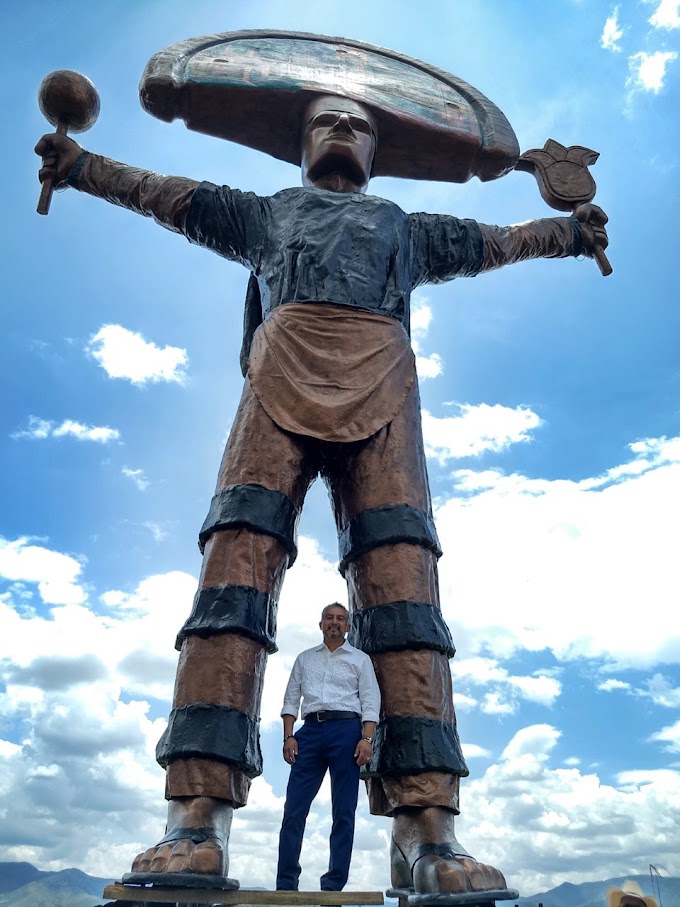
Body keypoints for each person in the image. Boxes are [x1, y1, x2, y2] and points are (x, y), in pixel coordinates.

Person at [35, 94, 608, 897]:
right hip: (276, 376)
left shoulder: (405, 229)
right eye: (325, 121)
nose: (342, 128)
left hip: (385, 384)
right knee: (233, 574)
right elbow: (164, 192)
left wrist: (567, 235)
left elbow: (496, 241)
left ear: (379, 152)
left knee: (404, 587)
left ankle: (427, 826)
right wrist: (86, 166)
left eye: (361, 124)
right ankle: (195, 817)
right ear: (298, 144)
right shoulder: (265, 214)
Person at [277, 602, 380, 891]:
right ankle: (286, 883)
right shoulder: (304, 659)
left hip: (347, 731)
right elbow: (290, 699)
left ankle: (333, 884)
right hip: (309, 731)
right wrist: (289, 736)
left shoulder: (360, 660)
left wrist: (366, 739)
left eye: (340, 619)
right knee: (294, 808)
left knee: (343, 810)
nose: (334, 623)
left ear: (348, 626)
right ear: (320, 624)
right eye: (329, 618)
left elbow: (371, 702)